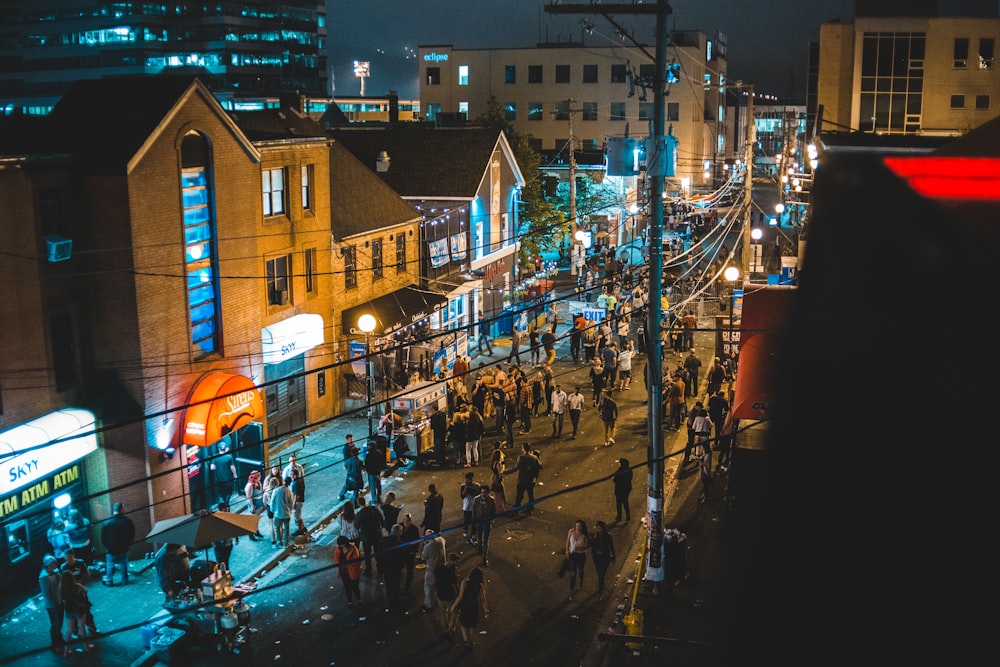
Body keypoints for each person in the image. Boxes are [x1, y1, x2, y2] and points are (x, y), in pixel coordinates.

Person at [60, 548, 97, 637]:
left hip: (80, 592)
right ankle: (75, 630)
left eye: (70, 557)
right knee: (74, 610)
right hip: (71, 593)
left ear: (74, 556)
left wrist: (82, 584)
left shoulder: (80, 563)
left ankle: (91, 627)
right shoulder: (64, 567)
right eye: (67, 558)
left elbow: (87, 575)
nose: (69, 559)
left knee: (86, 609)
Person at [451, 566, 489, 648]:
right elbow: (483, 600)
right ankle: (471, 641)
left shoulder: (464, 583)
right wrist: (486, 611)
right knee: (472, 625)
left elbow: (460, 597)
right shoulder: (480, 586)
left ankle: (466, 641)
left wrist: (454, 606)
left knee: (463, 625)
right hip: (474, 608)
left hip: (465, 607)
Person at [59, 570, 93, 655]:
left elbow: (61, 599)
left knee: (69, 630)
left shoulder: (61, 588)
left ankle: (66, 651)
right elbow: (85, 590)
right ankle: (86, 646)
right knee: (82, 627)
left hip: (68, 609)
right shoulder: (76, 586)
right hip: (78, 609)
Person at [101, 501, 135, 586]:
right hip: (123, 547)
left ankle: (109, 581)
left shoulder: (107, 522)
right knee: (123, 563)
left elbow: (103, 537)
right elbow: (132, 534)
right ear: (122, 509)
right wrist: (128, 543)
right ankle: (125, 581)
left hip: (111, 548)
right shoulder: (127, 521)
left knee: (110, 564)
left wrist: (107, 546)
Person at [376, 523, 406, 613]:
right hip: (396, 569)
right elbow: (402, 558)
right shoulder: (399, 544)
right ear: (399, 533)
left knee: (389, 586)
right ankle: (396, 603)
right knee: (396, 586)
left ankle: (390, 603)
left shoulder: (382, 541)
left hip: (386, 569)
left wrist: (380, 566)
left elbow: (378, 555)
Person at [507, 442, 542, 516]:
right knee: (530, 494)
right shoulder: (534, 458)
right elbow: (539, 466)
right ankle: (530, 507)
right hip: (531, 480)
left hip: (522, 479)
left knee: (519, 495)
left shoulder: (521, 458)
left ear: (523, 448)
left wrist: (505, 472)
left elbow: (516, 468)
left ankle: (516, 509)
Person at [40, 553, 65, 654]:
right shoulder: (44, 577)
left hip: (59, 601)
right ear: (49, 564)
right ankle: (55, 644)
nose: (55, 564)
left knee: (59, 622)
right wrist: (54, 604)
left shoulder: (55, 572)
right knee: (55, 623)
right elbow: (46, 593)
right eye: (53, 563)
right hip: (52, 605)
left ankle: (59, 639)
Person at [355, 496, 384, 577]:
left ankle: (368, 571)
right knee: (378, 552)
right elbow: (381, 519)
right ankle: (380, 569)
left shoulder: (359, 514)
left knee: (367, 554)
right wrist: (381, 526)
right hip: (376, 534)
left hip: (366, 537)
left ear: (358, 504)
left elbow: (356, 526)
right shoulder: (373, 509)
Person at [420, 528, 447, 613]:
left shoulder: (428, 546)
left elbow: (423, 557)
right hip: (441, 567)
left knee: (427, 587)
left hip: (431, 569)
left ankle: (428, 604)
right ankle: (440, 601)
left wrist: (424, 545)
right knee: (438, 586)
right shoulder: (440, 541)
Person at [333, 535, 363, 608]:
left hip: (353, 572)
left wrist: (348, 565)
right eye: (339, 544)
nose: (341, 546)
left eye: (342, 544)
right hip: (344, 573)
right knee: (347, 587)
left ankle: (358, 600)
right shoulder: (338, 550)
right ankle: (349, 601)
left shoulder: (353, 549)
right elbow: (336, 559)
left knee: (355, 587)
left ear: (345, 543)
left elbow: (356, 561)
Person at [435, 553, 461, 635]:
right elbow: (454, 585)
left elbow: (434, 579)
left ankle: (445, 630)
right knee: (454, 612)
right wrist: (460, 592)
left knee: (443, 613)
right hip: (448, 595)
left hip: (439, 594)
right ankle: (450, 630)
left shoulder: (439, 568)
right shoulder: (451, 572)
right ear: (451, 561)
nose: (457, 564)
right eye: (456, 562)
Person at [590, 521, 616, 600]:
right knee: (599, 574)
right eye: (598, 528)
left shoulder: (608, 536)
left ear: (603, 529)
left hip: (605, 558)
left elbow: (611, 547)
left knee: (602, 575)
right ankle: (600, 587)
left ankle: (600, 592)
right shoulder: (595, 536)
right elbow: (592, 546)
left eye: (600, 528)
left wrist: (613, 557)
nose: (599, 530)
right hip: (597, 558)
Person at [472, 484, 497, 566]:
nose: (483, 494)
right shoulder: (476, 500)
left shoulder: (491, 500)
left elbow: (494, 511)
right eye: (482, 492)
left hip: (486, 523)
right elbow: (474, 510)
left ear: (488, 493)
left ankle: (485, 558)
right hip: (478, 522)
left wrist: (492, 520)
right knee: (479, 537)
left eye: (485, 493)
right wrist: (474, 521)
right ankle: (480, 548)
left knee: (485, 540)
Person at [565, 519, 590, 601]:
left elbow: (587, 546)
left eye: (580, 526)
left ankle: (580, 581)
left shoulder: (584, 535)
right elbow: (567, 542)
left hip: (580, 555)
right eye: (577, 526)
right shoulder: (571, 532)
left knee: (581, 570)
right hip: (572, 555)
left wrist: (580, 547)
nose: (578, 527)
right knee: (572, 574)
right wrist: (567, 551)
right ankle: (571, 592)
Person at [269, 476, 295, 548]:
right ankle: (285, 543)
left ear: (283, 481)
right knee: (286, 529)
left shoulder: (276, 490)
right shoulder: (290, 492)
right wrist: (289, 511)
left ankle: (279, 542)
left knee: (277, 528)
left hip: (277, 514)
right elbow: (291, 504)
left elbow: (272, 502)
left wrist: (273, 511)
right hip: (286, 514)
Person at [211, 441, 238, 509]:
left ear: (219, 449)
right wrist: (235, 474)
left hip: (219, 479)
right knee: (228, 492)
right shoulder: (229, 457)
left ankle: (223, 505)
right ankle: (226, 504)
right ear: (225, 448)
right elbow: (232, 467)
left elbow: (212, 468)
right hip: (228, 478)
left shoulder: (215, 457)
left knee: (221, 492)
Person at [400, 513, 421, 593]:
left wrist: (413, 551)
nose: (408, 523)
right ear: (403, 520)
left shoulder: (414, 529)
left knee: (409, 570)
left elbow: (417, 541)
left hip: (409, 553)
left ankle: (407, 587)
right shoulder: (399, 527)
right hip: (401, 553)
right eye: (406, 521)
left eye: (409, 521)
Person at [212, 501, 237, 568]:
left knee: (226, 560)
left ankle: (227, 573)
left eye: (228, 509)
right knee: (221, 561)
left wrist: (236, 538)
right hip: (219, 545)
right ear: (221, 510)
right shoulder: (217, 519)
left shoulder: (229, 517)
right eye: (225, 510)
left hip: (228, 544)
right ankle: (224, 575)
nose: (227, 511)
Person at [243, 471, 266, 541]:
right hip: (254, 503)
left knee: (256, 518)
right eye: (259, 476)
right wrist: (252, 506)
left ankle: (256, 531)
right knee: (253, 520)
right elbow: (249, 497)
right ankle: (250, 534)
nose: (260, 477)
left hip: (259, 501)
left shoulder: (258, 482)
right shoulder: (250, 485)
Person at [363, 436, 386, 504]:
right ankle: (379, 496)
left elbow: (366, 465)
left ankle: (374, 500)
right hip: (377, 472)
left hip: (371, 473)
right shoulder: (379, 453)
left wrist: (366, 470)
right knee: (378, 485)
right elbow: (382, 462)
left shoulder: (368, 455)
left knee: (373, 487)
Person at [692, 437, 714, 504]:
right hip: (704, 470)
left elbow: (705, 463)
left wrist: (698, 459)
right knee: (704, 485)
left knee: (705, 485)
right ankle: (704, 495)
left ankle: (705, 497)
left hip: (705, 472)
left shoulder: (708, 454)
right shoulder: (706, 452)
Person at [337, 434, 359, 500]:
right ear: (347, 440)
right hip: (350, 465)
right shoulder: (346, 448)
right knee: (350, 481)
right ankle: (342, 494)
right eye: (351, 439)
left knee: (350, 481)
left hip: (353, 464)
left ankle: (342, 494)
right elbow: (346, 458)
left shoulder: (352, 445)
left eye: (352, 439)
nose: (352, 440)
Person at [343, 440, 364, 507]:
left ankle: (341, 495)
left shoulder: (347, 461)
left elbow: (345, 467)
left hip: (349, 477)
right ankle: (355, 504)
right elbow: (363, 468)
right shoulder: (359, 462)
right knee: (355, 492)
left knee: (346, 486)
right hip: (356, 479)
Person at [613, 457, 634, 523]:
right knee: (625, 502)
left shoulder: (620, 472)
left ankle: (619, 516)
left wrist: (614, 479)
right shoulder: (629, 470)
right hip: (627, 488)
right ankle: (628, 515)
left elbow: (615, 479)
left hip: (620, 489)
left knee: (619, 503)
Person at [460, 471, 479, 544]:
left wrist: (472, 490)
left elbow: (477, 495)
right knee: (466, 520)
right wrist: (466, 488)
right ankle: (465, 529)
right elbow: (462, 496)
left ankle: (473, 535)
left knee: (474, 521)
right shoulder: (463, 486)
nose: (470, 480)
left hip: (474, 507)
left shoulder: (477, 485)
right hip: (467, 507)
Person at [488, 447, 508, 514]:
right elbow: (500, 472)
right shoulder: (498, 463)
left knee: (496, 494)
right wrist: (501, 478)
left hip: (494, 478)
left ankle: (497, 508)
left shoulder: (494, 463)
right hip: (497, 480)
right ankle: (502, 509)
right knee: (501, 494)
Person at [290, 467, 308, 537]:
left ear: (295, 475)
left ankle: (300, 529)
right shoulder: (300, 481)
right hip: (301, 500)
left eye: (291, 474)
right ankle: (303, 528)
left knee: (297, 517)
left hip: (298, 502)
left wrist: (294, 503)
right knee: (299, 515)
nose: (290, 475)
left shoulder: (296, 483)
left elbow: (296, 495)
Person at [262, 475, 280, 544]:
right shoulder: (278, 490)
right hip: (277, 508)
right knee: (279, 524)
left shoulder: (267, 491)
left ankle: (273, 539)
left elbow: (264, 501)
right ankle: (279, 538)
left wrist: (267, 506)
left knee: (271, 524)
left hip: (270, 508)